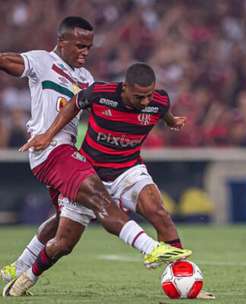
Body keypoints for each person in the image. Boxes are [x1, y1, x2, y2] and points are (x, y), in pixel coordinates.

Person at [1, 18, 191, 297]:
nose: (85, 51)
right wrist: (45, 134)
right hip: (51, 150)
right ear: (61, 41)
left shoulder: (87, 79)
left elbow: (95, 107)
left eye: (89, 46)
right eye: (79, 45)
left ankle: (20, 271)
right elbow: (6, 61)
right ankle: (151, 249)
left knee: (63, 232)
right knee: (99, 197)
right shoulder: (42, 61)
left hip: (72, 152)